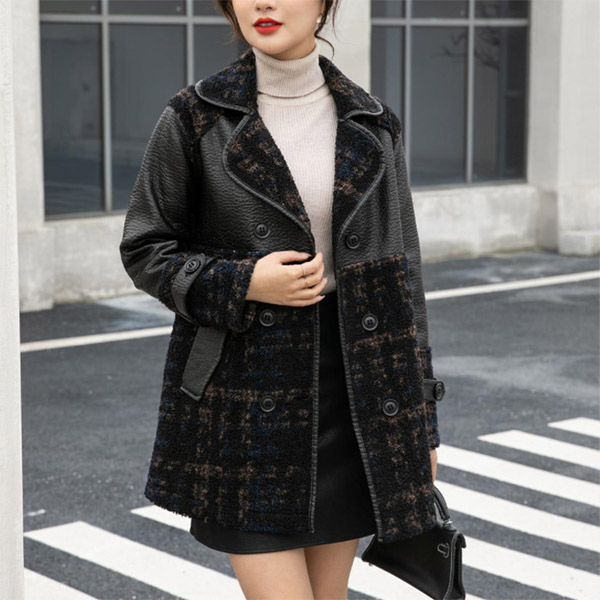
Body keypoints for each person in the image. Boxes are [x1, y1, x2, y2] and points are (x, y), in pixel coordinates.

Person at [120, 0, 443, 598]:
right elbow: (145, 248)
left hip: (356, 394)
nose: (262, 3)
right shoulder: (195, 117)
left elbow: (404, 279)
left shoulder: (373, 122)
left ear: (323, 5)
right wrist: (244, 282)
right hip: (245, 395)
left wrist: (420, 419)